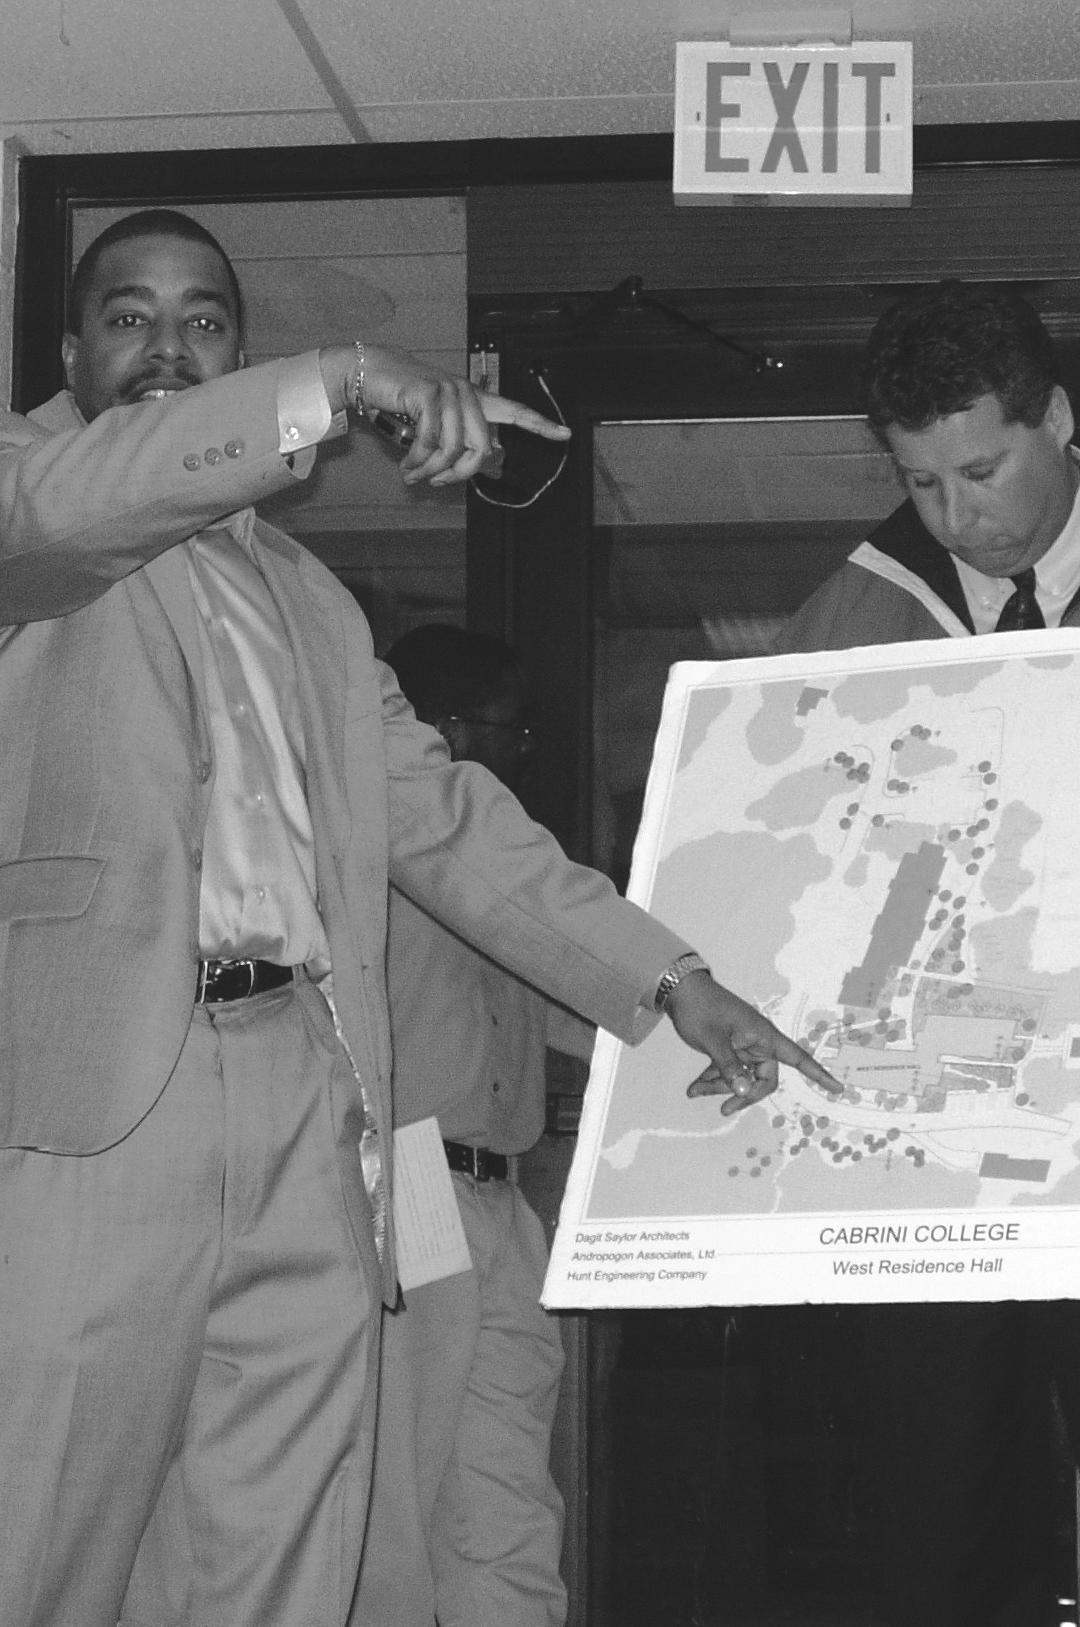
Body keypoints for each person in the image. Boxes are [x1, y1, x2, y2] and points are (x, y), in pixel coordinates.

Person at [0, 207, 836, 1627]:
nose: (167, 345)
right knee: (40, 1548)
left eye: (204, 320)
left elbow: (448, 822)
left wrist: (670, 978)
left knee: (280, 1557)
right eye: (128, 315)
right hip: (98, 1108)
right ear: (71, 351)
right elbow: (66, 512)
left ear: (234, 353)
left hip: (310, 1095)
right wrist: (343, 377)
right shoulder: (30, 495)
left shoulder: (312, 606)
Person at [774, 278, 1080, 1627]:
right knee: (944, 1513)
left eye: (982, 469)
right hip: (935, 1136)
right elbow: (791, 877)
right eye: (919, 482)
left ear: (1056, 419)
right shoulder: (850, 617)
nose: (956, 517)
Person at [355, 625, 591, 1627]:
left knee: (508, 1499)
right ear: (443, 730)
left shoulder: (503, 876)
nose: (521, 751)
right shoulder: (374, 856)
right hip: (410, 1174)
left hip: (500, 1194)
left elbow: (583, 1010)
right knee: (400, 1499)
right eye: (508, 728)